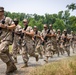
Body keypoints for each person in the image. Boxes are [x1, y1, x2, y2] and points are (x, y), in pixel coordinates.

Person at [0, 7, 17, 75]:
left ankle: (9, 64)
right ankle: (13, 66)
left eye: (1, 11)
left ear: (3, 12)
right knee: (6, 53)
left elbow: (14, 26)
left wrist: (5, 26)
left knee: (0, 51)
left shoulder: (7, 19)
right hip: (1, 39)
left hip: (7, 38)